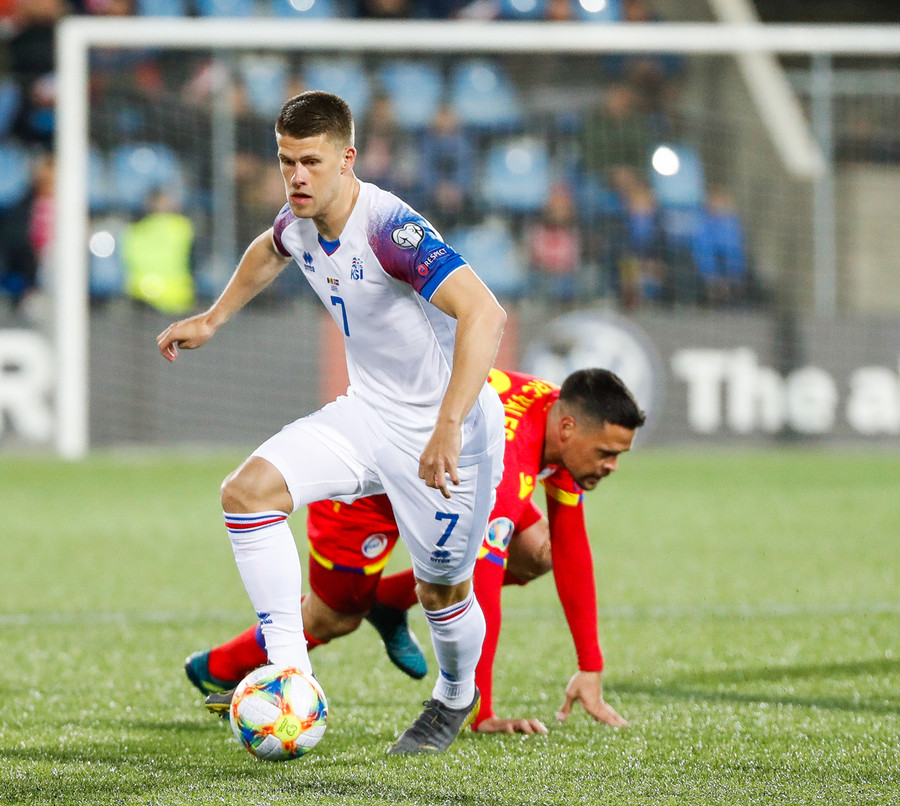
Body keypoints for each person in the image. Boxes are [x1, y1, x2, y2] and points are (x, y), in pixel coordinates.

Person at [157, 90, 507, 755]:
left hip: (448, 434)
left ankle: (455, 695)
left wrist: (448, 423)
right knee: (247, 494)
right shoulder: (301, 217)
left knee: (442, 591)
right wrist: (212, 318)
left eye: (311, 162)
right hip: (367, 414)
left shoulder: (390, 230)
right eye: (286, 161)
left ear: (347, 160)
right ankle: (291, 672)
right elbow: (270, 248)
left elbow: (485, 314)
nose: (296, 177)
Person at [186, 366, 646, 735]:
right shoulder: (511, 451)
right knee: (337, 615)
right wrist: (480, 709)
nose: (612, 465)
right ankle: (217, 667)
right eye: (606, 453)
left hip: (437, 483)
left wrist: (590, 666)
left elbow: (569, 548)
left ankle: (390, 601)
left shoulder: (559, 422)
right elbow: (479, 584)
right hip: (368, 493)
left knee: (538, 550)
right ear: (567, 428)